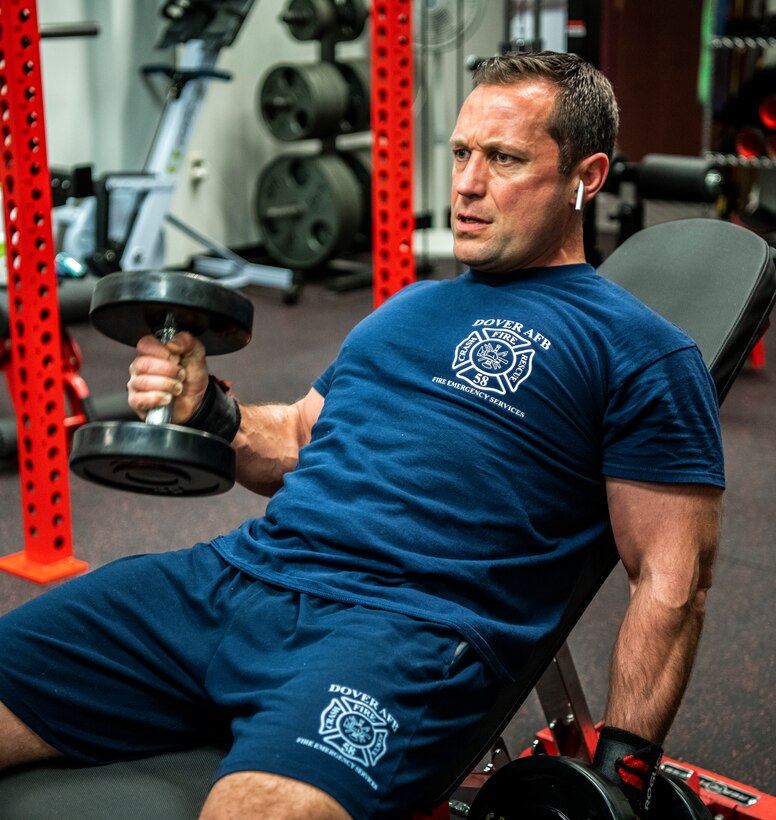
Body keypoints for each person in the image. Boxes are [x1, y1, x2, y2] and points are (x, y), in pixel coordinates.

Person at [0, 52, 724, 819]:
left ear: (589, 174)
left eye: (504, 159)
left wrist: (623, 775)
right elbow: (301, 439)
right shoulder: (407, 310)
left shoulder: (640, 351)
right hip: (235, 581)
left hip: (401, 633)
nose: (468, 184)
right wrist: (206, 405)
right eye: (461, 154)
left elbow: (674, 580)